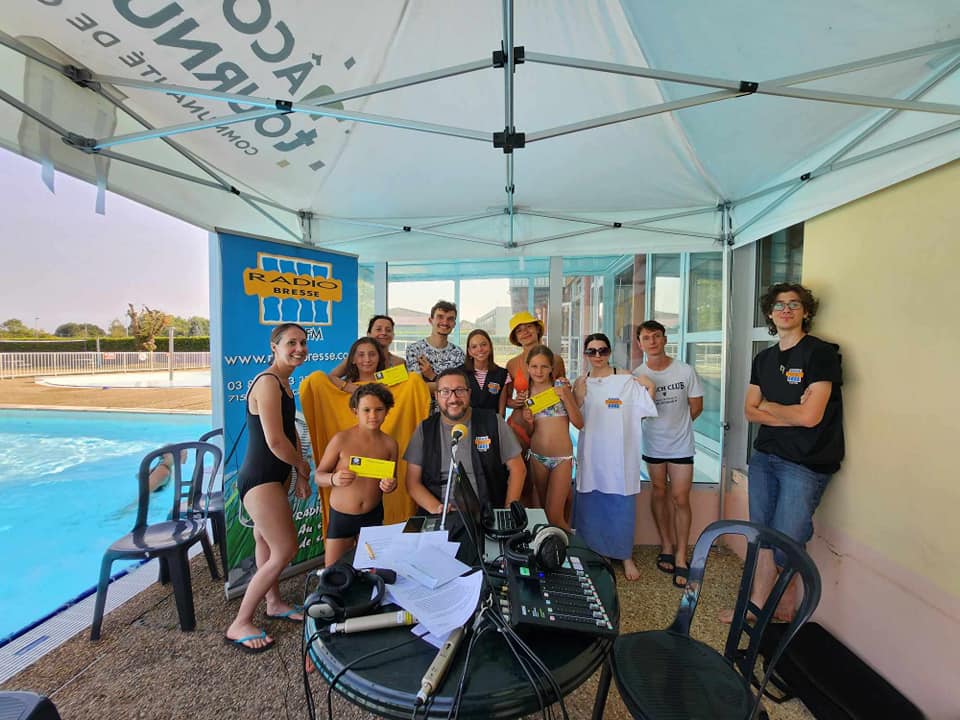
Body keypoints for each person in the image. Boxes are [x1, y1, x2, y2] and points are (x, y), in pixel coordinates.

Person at [724, 282, 843, 623]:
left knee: (786, 542)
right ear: (770, 314)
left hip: (805, 462)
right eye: (779, 305)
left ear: (806, 312)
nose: (786, 309)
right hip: (765, 457)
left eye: (794, 304)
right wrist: (788, 412)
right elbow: (749, 410)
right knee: (761, 535)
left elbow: (811, 417)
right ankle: (762, 604)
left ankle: (784, 605)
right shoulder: (764, 358)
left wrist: (771, 406)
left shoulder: (820, 354)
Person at [225, 323, 312, 654]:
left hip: (275, 476)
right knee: (286, 549)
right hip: (260, 478)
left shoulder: (286, 384)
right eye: (291, 343)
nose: (299, 348)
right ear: (274, 347)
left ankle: (273, 602)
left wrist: (299, 474)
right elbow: (275, 442)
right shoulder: (267, 383)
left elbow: (290, 434)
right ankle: (240, 622)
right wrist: (301, 468)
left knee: (265, 542)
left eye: (303, 342)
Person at [300, 337, 430, 529]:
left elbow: (411, 378)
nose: (367, 359)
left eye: (372, 354)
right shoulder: (342, 384)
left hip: (378, 468)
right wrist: (349, 386)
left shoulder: (386, 378)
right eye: (360, 355)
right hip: (346, 481)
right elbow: (321, 379)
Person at [573, 333, 657, 580]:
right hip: (592, 454)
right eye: (592, 351)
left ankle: (625, 555)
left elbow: (646, 405)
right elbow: (576, 418)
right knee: (593, 506)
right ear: (585, 354)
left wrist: (646, 383)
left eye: (602, 350)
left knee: (621, 507)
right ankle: (599, 553)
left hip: (620, 457)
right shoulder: (581, 383)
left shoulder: (626, 381)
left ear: (609, 352)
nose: (597, 356)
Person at [634, 320, 704, 588]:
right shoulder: (637, 375)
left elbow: (695, 407)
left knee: (680, 497)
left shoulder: (685, 370)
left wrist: (678, 428)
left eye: (656, 336)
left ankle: (681, 555)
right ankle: (665, 544)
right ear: (640, 344)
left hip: (681, 445)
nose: (652, 341)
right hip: (653, 446)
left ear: (664, 339)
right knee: (659, 492)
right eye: (646, 338)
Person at [405, 367, 525, 514]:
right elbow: (412, 482)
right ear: (436, 396)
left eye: (460, 390)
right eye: (445, 392)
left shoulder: (493, 422)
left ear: (469, 393)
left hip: (487, 513)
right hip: (439, 514)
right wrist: (437, 508)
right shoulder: (425, 429)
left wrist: (507, 512)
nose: (453, 399)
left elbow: (518, 469)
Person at [314, 384, 398, 566]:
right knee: (333, 574)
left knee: (370, 572)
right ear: (355, 411)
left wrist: (390, 485)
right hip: (342, 518)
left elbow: (391, 480)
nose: (373, 416)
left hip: (373, 516)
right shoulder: (341, 440)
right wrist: (333, 479)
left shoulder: (390, 444)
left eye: (379, 410)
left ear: (387, 410)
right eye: (366, 410)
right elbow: (318, 475)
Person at [514, 345, 583, 530]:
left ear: (552, 368)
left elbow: (579, 423)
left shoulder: (561, 388)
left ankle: (571, 551)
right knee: (541, 514)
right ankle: (546, 553)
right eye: (535, 366)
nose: (539, 371)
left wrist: (567, 397)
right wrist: (528, 421)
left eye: (544, 366)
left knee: (554, 516)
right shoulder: (525, 395)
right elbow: (528, 434)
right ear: (528, 367)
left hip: (562, 459)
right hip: (538, 457)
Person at [502, 311, 566, 505]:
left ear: (538, 329)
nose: (525, 332)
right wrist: (516, 402)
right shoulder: (512, 364)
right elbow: (506, 399)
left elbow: (562, 396)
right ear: (515, 338)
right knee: (522, 481)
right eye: (519, 330)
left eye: (528, 327)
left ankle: (550, 527)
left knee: (553, 488)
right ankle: (524, 525)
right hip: (520, 426)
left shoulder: (555, 360)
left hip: (547, 428)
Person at [326, 315, 404, 392]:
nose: (384, 333)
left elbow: (400, 390)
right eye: (378, 329)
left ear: (393, 335)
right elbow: (331, 377)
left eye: (388, 330)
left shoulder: (399, 362)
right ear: (368, 334)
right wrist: (348, 387)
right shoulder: (356, 359)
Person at [405, 301, 466, 391]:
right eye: (440, 317)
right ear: (431, 320)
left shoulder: (458, 353)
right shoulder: (415, 350)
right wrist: (448, 385)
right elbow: (417, 388)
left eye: (450, 319)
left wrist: (431, 376)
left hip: (451, 404)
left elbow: (459, 387)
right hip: (424, 405)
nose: (445, 322)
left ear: (454, 324)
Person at [460, 329, 510, 414]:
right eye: (474, 346)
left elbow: (502, 409)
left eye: (483, 344)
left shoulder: (503, 374)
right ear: (469, 352)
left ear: (490, 347)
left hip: (492, 423)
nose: (480, 349)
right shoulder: (459, 373)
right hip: (467, 423)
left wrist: (498, 425)